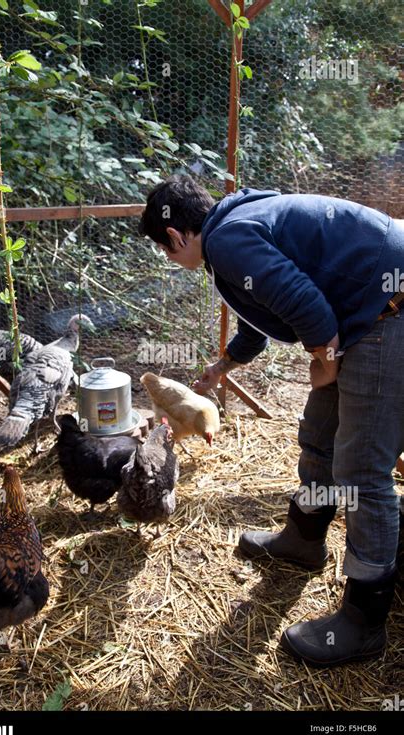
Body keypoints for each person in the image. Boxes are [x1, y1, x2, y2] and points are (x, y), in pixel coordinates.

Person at [139, 173, 404, 667]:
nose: (170, 259)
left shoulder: (228, 239)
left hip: (388, 310)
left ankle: (364, 621)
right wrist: (224, 366)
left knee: (363, 473)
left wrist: (323, 364)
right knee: (321, 434)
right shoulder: (234, 228)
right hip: (371, 308)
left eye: (166, 250)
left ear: (176, 237)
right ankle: (303, 539)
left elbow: (306, 305)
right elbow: (260, 314)